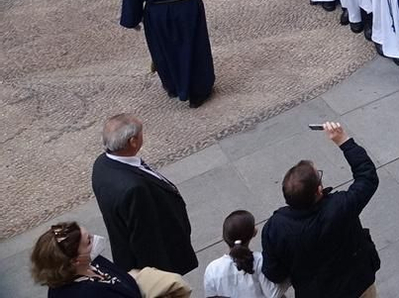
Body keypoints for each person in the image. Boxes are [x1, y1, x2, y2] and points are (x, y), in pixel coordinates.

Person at [261, 122, 381, 298]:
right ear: (318, 190)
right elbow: (367, 177)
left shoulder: (276, 227)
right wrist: (344, 141)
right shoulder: (341, 207)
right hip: (357, 286)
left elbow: (274, 272)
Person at [90, 114, 198, 275]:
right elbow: (145, 238)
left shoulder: (102, 164)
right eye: (141, 133)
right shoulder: (135, 189)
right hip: (160, 258)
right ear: (133, 142)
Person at [29, 220, 191, 298]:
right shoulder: (87, 294)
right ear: (75, 261)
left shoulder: (90, 262)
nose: (94, 238)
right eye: (88, 241)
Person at [203, 210, 284, 298]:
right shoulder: (260, 261)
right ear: (254, 233)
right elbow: (273, 294)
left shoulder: (212, 269)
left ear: (224, 237)